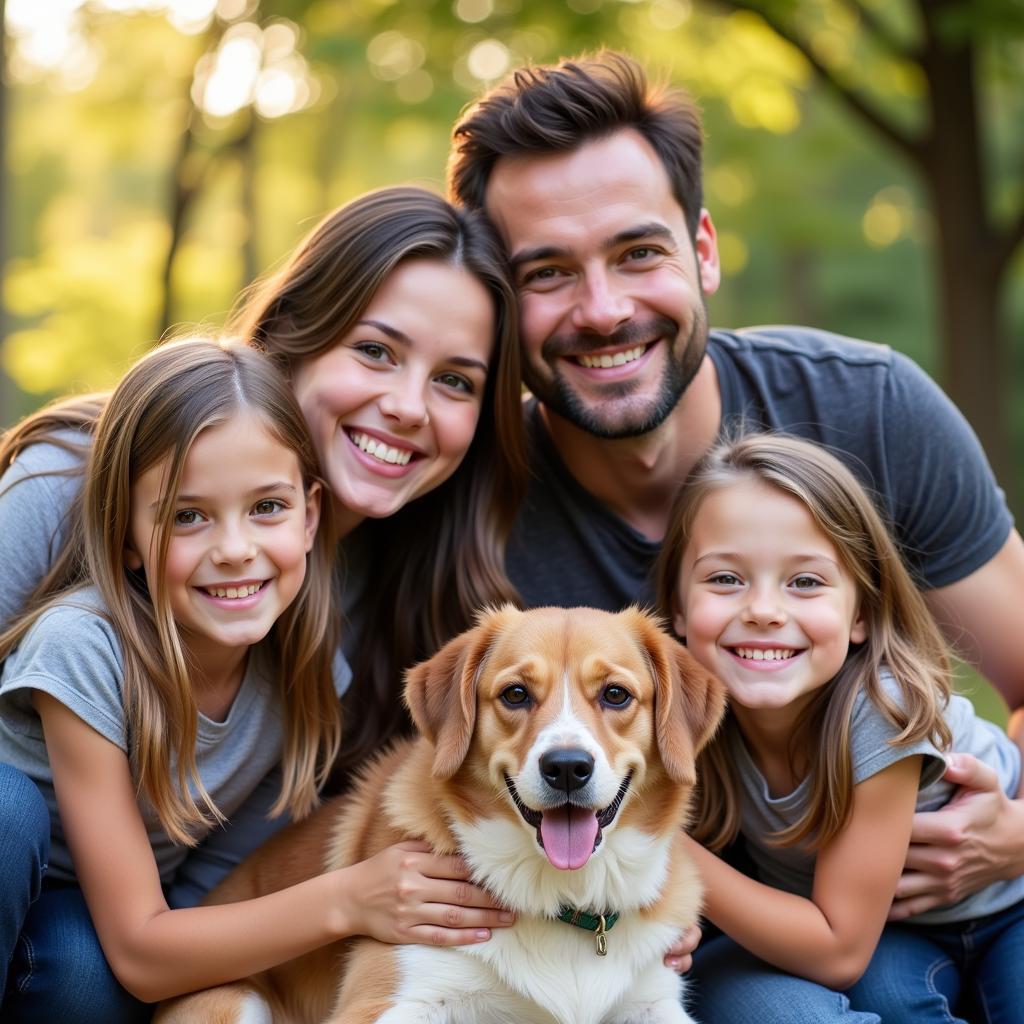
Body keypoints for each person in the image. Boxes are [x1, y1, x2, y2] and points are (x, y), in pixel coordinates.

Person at [446, 49, 1024, 929]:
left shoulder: (870, 408)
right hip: (731, 932)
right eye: (548, 273)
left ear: (703, 251)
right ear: (498, 300)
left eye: (638, 252)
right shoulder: (459, 506)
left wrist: (1020, 835)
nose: (602, 310)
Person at [0, 187, 526, 1018]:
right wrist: (351, 898)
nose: (408, 405)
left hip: (112, 917)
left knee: (78, 971)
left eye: (455, 380)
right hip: (21, 848)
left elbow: (212, 900)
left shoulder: (318, 633)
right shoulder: (66, 486)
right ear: (298, 335)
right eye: (378, 351)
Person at [654, 432, 1024, 1023]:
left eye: (805, 581)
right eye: (725, 579)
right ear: (676, 605)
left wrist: (658, 846)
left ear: (861, 614)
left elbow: (837, 950)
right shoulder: (685, 711)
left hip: (1009, 905)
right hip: (900, 931)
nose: (764, 610)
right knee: (888, 1004)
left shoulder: (885, 711)